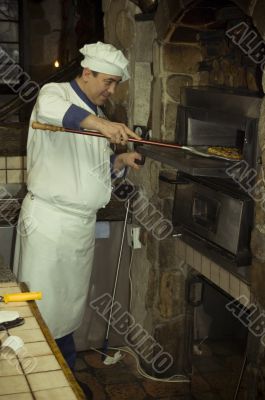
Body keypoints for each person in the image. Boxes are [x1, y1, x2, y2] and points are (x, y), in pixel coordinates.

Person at [13, 42, 142, 396]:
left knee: (67, 310)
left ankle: (63, 377)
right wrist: (102, 124)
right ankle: (36, 385)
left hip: (79, 228)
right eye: (108, 81)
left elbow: (92, 174)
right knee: (40, 310)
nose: (111, 90)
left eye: (116, 84)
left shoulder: (93, 113)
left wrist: (118, 164)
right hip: (49, 225)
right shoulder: (53, 95)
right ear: (87, 73)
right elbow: (58, 112)